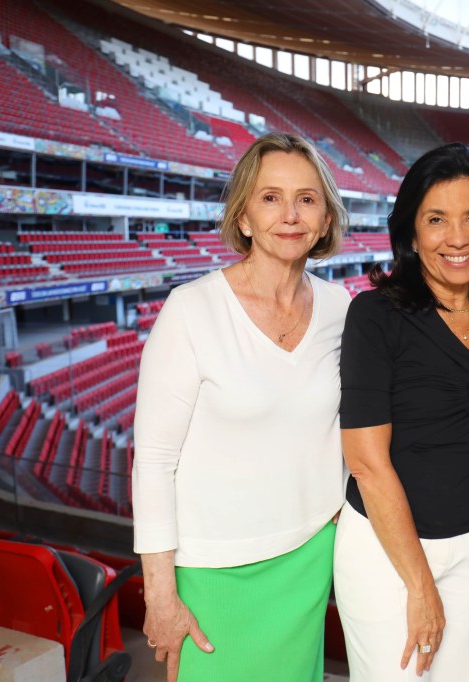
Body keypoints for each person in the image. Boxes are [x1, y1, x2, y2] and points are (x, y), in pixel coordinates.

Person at [132, 132, 350, 682]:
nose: (290, 214)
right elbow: (154, 461)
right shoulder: (191, 310)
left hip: (310, 557)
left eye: (307, 199)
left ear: (325, 219)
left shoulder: (339, 308)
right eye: (270, 197)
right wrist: (160, 596)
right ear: (245, 216)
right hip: (213, 573)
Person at [335, 143, 469, 682]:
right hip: (387, 554)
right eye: (437, 219)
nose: (458, 238)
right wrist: (420, 586)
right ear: (412, 233)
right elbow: (366, 462)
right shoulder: (375, 316)